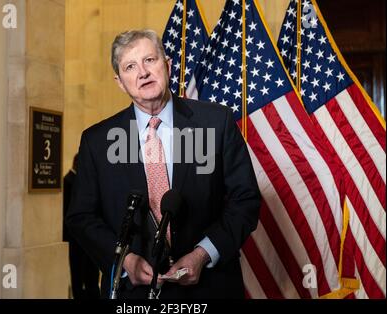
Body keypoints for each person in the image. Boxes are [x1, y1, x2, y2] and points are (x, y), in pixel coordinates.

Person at [65, 29, 260, 299]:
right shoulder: (96, 141)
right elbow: (81, 216)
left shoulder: (217, 122)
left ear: (167, 66)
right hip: (132, 293)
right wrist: (125, 261)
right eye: (130, 66)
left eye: (150, 60)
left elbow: (245, 199)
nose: (143, 72)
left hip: (209, 288)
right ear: (120, 82)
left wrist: (203, 254)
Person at [63, 154, 100, 299]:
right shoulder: (69, 182)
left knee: (89, 273)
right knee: (79, 275)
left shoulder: (77, 182)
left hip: (85, 236)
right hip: (76, 237)